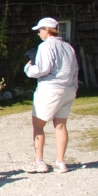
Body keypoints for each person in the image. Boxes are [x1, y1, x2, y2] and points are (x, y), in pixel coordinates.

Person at [24, 17, 79, 173]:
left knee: (38, 125)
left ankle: (39, 160)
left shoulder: (46, 46)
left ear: (46, 30)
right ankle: (60, 162)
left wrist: (28, 68)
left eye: (40, 30)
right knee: (60, 125)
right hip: (68, 88)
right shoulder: (68, 47)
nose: (39, 33)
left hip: (50, 88)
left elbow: (43, 68)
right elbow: (75, 68)